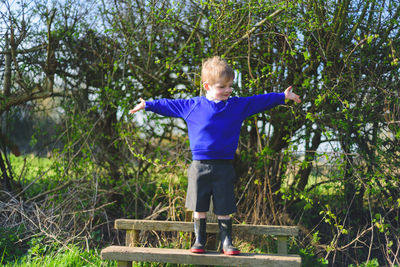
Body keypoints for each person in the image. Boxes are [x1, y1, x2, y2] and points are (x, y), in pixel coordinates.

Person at [129, 56, 301, 255]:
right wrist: (148, 104)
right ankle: (199, 241)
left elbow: (258, 101)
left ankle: (226, 242)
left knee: (223, 206)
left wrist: (282, 96)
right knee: (198, 205)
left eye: (230, 86)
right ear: (207, 86)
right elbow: (169, 105)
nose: (228, 90)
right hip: (199, 165)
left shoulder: (236, 106)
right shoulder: (193, 105)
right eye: (222, 87)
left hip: (224, 166)